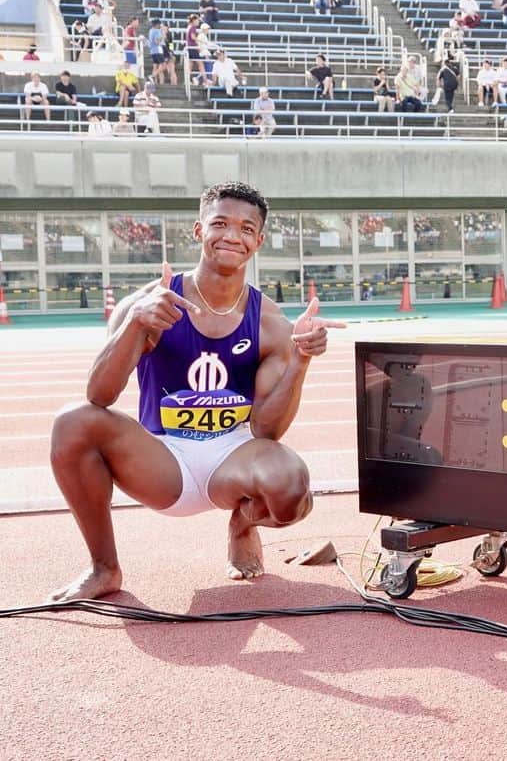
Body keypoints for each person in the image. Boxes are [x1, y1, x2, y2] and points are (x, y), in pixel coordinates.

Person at [46, 182, 347, 603]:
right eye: (220, 224)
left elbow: (266, 429)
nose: (231, 236)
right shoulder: (146, 304)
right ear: (198, 230)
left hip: (232, 456)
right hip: (163, 458)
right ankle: (104, 568)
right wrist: (137, 324)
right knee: (72, 422)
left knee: (290, 487)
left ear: (258, 241)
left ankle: (243, 523)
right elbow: (100, 395)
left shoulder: (270, 323)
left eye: (246, 229)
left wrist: (299, 361)